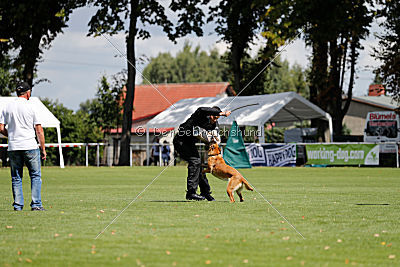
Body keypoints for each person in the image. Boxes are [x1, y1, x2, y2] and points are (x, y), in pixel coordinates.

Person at [0, 82, 47, 211]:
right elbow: (39, 130)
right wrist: (43, 149)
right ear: (28, 92)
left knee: (16, 177)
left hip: (14, 146)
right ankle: (36, 204)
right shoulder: (31, 106)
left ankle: (18, 205)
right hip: (30, 145)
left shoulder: (7, 107)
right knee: (35, 175)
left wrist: (10, 135)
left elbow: (1, 128)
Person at [173, 106, 231, 201]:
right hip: (180, 142)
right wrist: (221, 113)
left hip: (190, 144)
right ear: (210, 114)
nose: (214, 119)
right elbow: (201, 109)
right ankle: (191, 193)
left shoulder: (214, 125)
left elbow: (215, 139)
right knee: (195, 162)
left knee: (198, 165)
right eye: (214, 115)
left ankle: (205, 192)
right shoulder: (199, 115)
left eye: (217, 117)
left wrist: (213, 140)